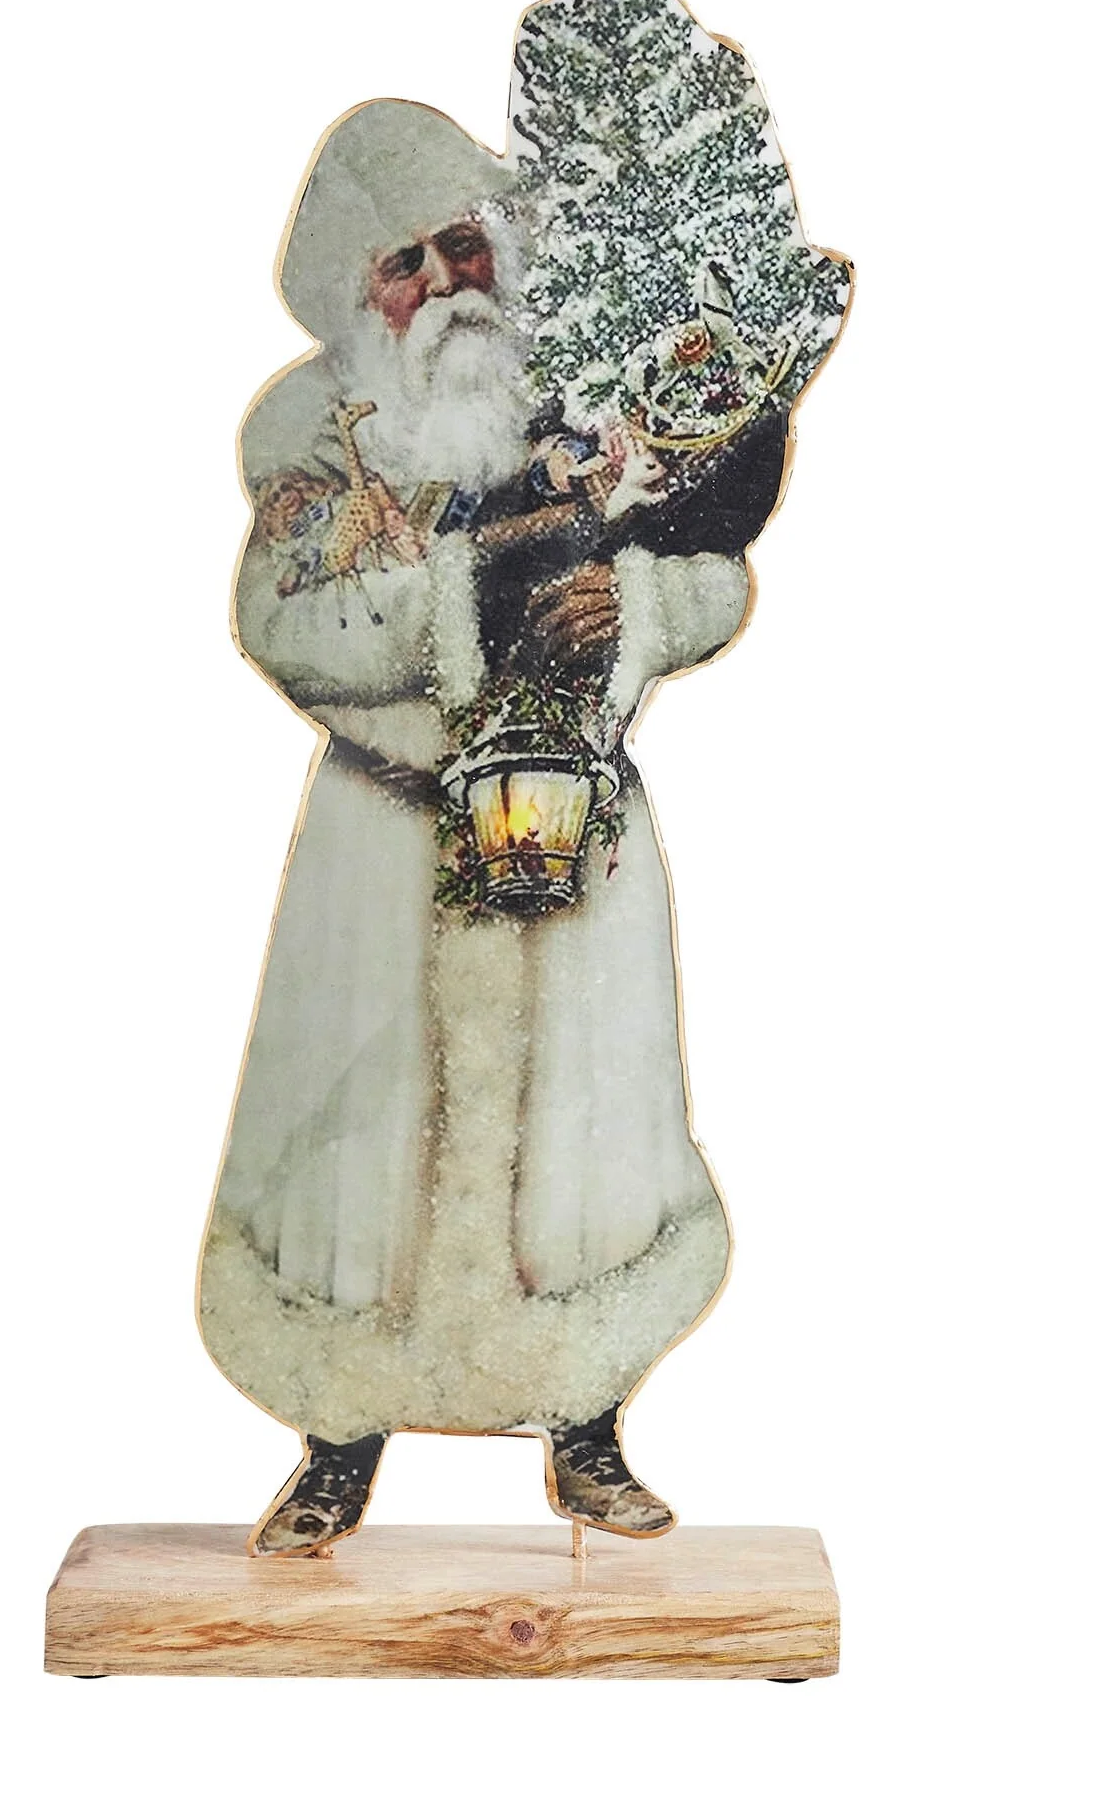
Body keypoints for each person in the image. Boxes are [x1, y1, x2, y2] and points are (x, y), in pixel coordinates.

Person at [199, 101, 753, 1553]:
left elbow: (716, 574)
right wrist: (461, 585)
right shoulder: (318, 441)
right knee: (355, 1145)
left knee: (588, 1140)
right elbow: (289, 624)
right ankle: (338, 1441)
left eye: (463, 246)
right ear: (361, 294)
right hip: (388, 847)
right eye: (408, 265)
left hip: (580, 840)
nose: (447, 284)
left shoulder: (596, 389)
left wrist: (637, 604)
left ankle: (587, 1430)